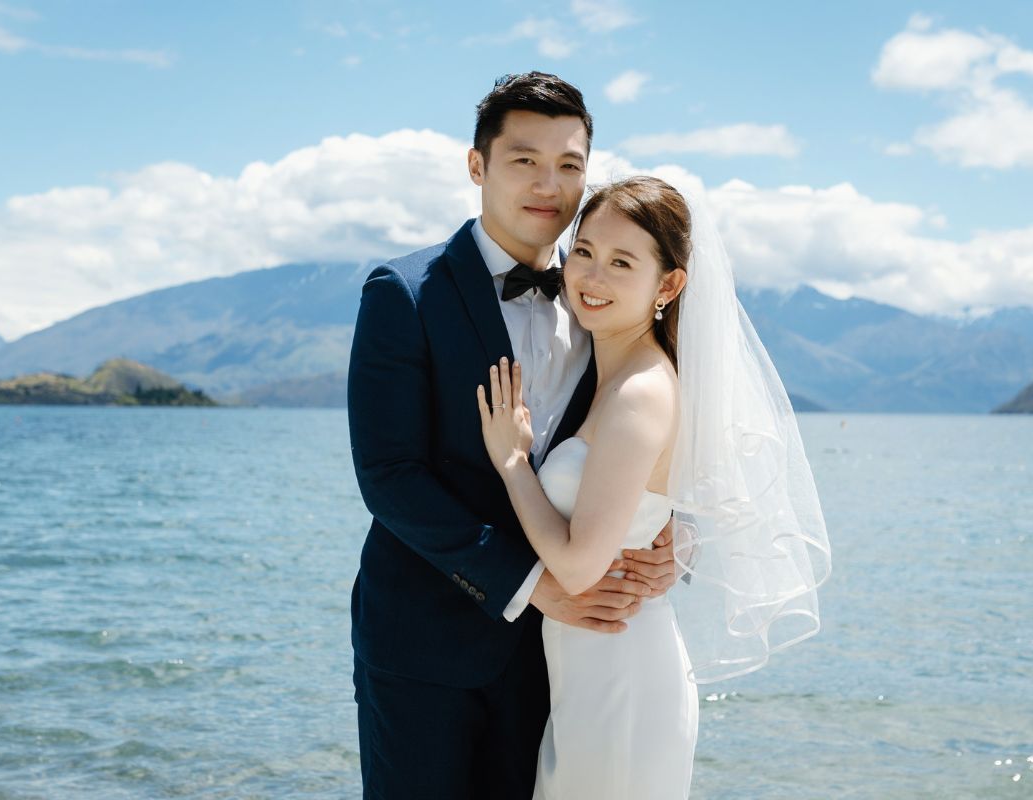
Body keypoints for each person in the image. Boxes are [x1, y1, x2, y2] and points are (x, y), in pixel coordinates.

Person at [346, 73, 676, 799]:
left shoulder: (599, 298)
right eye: (524, 159)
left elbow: (645, 438)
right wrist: (532, 586)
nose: (548, 184)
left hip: (554, 663)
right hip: (424, 648)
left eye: (569, 165)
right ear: (478, 167)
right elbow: (388, 475)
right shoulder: (404, 294)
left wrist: (668, 536)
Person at [476, 176, 832, 798]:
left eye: (621, 263)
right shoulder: (614, 376)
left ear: (667, 285)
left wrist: (513, 464)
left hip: (621, 678)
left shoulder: (640, 392)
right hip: (589, 674)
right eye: (583, 251)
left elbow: (581, 567)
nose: (592, 277)